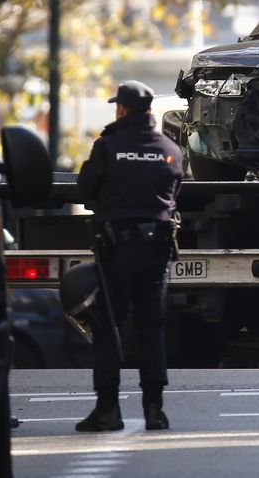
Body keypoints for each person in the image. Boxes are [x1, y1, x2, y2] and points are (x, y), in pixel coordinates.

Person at [75, 80, 183, 431]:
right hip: (157, 251)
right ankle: (155, 409)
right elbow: (175, 191)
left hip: (118, 249)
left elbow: (85, 189)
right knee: (152, 329)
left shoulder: (108, 147)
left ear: (121, 109)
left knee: (108, 326)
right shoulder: (170, 148)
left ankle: (108, 410)